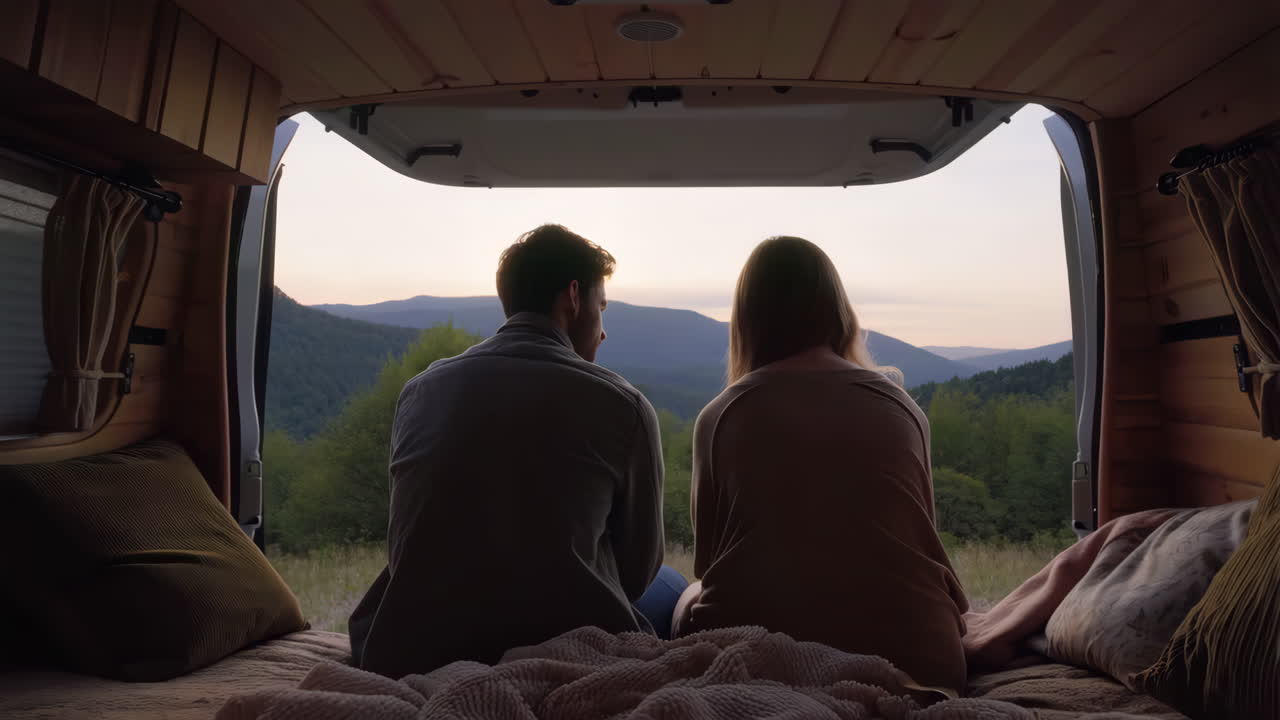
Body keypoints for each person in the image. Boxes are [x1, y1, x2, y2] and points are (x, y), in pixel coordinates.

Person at [350, 224, 680, 679]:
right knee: (671, 586)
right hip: (565, 648)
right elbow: (637, 572)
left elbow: (407, 543)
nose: (603, 333)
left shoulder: (419, 392)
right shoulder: (624, 406)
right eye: (601, 309)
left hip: (411, 651)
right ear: (572, 297)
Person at [672, 236, 969, 695]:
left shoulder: (722, 414)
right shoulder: (902, 407)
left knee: (685, 595)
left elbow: (710, 564)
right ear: (836, 308)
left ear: (748, 319)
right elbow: (918, 541)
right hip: (924, 663)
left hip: (763, 663)